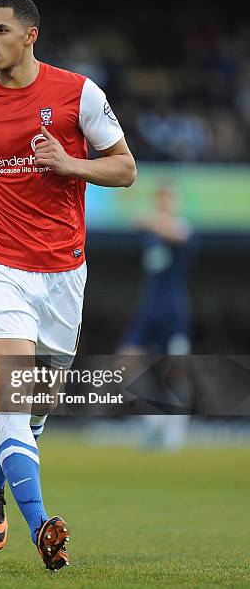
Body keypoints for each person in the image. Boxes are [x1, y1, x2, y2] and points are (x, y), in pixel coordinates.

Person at [0, 0, 136, 570]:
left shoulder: (80, 94)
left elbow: (125, 169)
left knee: (34, 413)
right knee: (12, 398)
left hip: (63, 275)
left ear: (30, 35)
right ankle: (42, 528)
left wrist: (71, 165)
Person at [120, 184, 195, 449]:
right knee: (126, 362)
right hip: (149, 311)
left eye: (168, 200)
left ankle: (176, 428)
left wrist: (149, 219)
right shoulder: (152, 237)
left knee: (175, 369)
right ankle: (154, 420)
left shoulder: (181, 228)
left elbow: (175, 234)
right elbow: (134, 220)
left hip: (173, 313)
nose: (164, 206)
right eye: (160, 200)